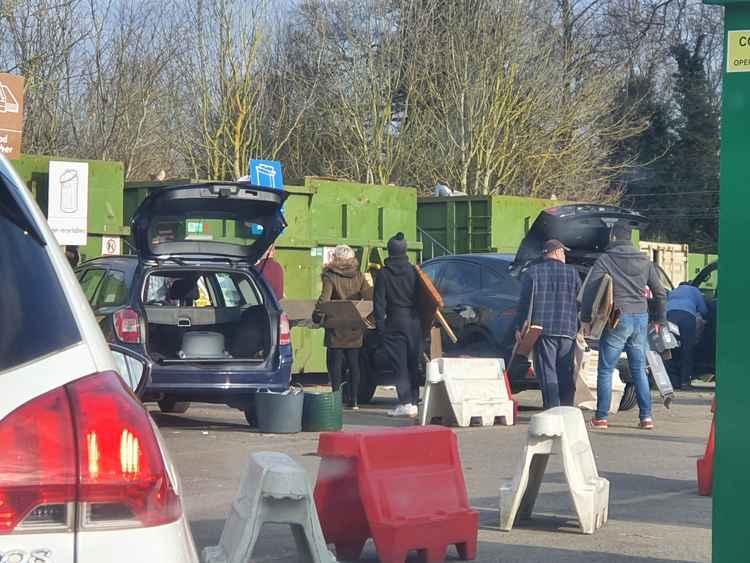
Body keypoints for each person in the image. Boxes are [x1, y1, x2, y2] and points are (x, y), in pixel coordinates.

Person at [581, 224, 667, 430]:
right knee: (638, 369)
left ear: (613, 236)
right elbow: (660, 293)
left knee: (606, 369)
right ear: (630, 238)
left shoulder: (606, 259)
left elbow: (590, 289)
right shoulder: (645, 260)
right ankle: (646, 417)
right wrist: (659, 320)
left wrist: (585, 318)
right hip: (641, 317)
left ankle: (601, 417)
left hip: (617, 318)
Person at [513, 239, 581, 409]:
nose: (565, 256)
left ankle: (552, 408)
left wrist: (518, 327)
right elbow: (580, 302)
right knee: (566, 371)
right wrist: (580, 325)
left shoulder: (533, 273)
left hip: (542, 330)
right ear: (557, 252)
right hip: (567, 330)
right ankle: (567, 408)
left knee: (547, 371)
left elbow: (524, 303)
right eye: (563, 252)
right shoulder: (572, 273)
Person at [314, 245, 372, 410]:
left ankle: (336, 398)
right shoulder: (359, 276)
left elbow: (324, 300)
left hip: (335, 326)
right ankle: (353, 400)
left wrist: (317, 316)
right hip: (354, 326)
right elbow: (368, 298)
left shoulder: (330, 276)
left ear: (336, 258)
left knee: (335, 364)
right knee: (354, 364)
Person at [373, 232, 422, 418]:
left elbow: (379, 303)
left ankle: (405, 402)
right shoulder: (414, 271)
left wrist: (380, 326)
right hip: (414, 321)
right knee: (412, 362)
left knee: (399, 365)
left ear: (390, 251)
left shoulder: (384, 274)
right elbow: (421, 297)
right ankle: (415, 400)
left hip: (394, 322)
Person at [666, 282, 708, 390]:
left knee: (670, 348)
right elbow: (704, 310)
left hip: (669, 315)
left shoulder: (673, 292)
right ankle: (685, 382)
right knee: (687, 348)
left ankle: (671, 380)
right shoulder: (695, 290)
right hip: (687, 316)